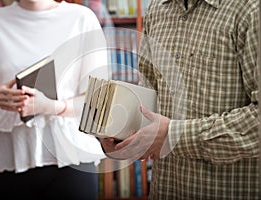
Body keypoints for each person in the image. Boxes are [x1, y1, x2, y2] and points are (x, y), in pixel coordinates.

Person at [100, 0, 260, 199]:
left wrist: (173, 135)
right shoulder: (156, 10)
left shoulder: (251, 9)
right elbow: (148, 99)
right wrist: (122, 135)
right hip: (164, 190)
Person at [0, 0, 109, 199]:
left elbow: (97, 100)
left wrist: (52, 106)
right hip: (10, 158)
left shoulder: (82, 18)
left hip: (72, 159)